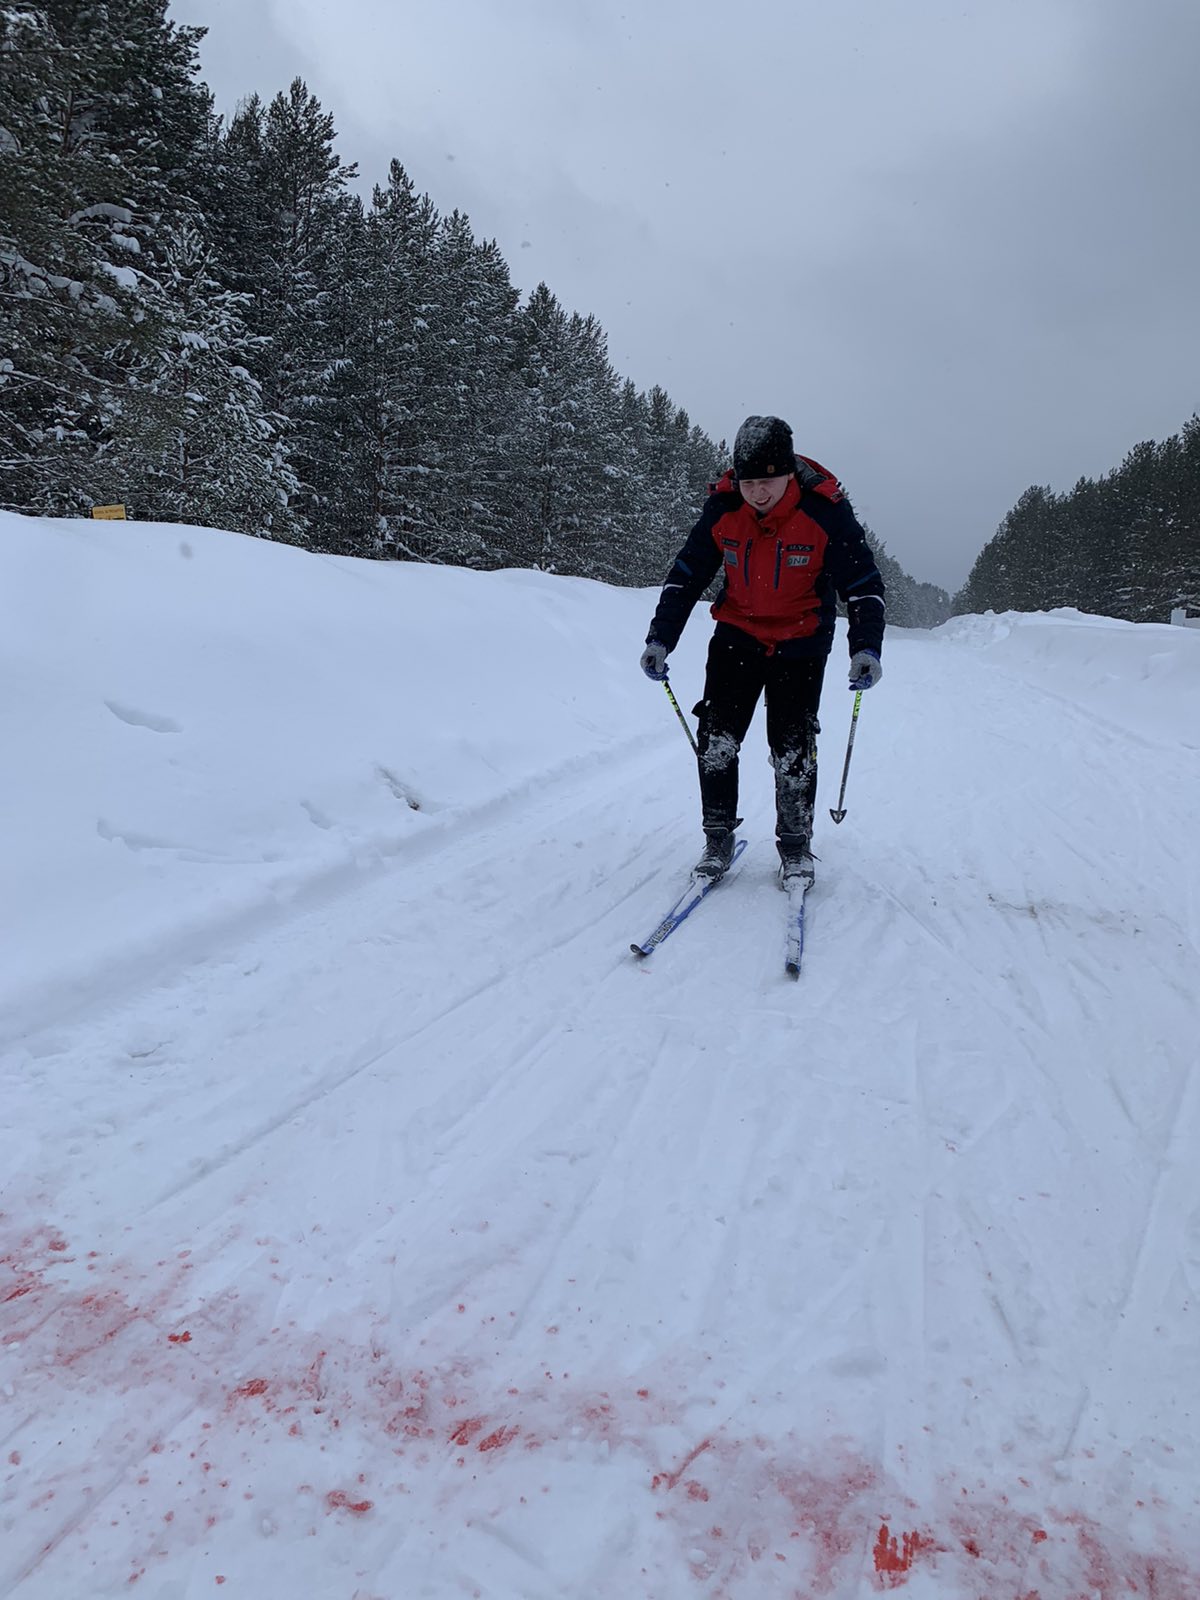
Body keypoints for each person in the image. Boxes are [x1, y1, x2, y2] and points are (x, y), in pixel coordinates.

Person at [639, 415, 885, 888]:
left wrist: (866, 647)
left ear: (789, 471)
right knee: (716, 739)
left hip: (802, 641)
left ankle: (795, 848)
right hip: (737, 635)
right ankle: (717, 838)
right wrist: (659, 638)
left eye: (768, 481)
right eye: (749, 481)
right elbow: (687, 574)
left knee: (793, 748)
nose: (758, 492)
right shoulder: (723, 507)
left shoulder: (825, 511)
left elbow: (862, 584)